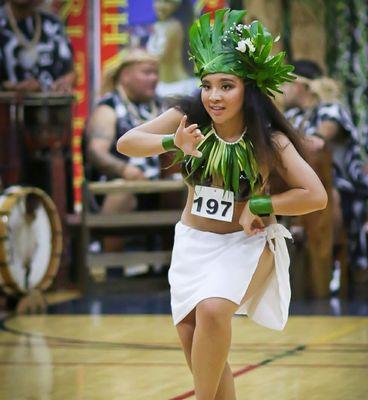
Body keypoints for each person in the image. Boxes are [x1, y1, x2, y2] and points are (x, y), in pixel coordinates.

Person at [117, 9, 327, 400]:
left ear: (248, 88)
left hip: (244, 245)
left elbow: (315, 196)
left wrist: (262, 202)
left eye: (226, 86)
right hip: (193, 244)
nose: (214, 96)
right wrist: (172, 143)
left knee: (213, 311)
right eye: (207, 85)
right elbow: (126, 143)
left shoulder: (268, 139)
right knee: (196, 340)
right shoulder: (189, 118)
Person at [283, 60, 367, 287]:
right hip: (301, 186)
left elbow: (317, 143)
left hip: (342, 188)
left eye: (285, 84)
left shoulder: (331, 110)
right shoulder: (294, 115)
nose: (282, 89)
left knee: (331, 195)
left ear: (299, 86)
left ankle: (328, 261)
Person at [86, 49, 165, 260]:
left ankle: (170, 264)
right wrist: (124, 170)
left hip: (159, 185)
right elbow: (96, 151)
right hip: (117, 186)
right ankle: (110, 264)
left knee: (183, 190)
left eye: (156, 73)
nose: (154, 78)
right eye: (147, 73)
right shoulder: (108, 108)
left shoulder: (161, 106)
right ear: (125, 76)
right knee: (122, 192)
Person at [0, 0, 75, 92]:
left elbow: (70, 72)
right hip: (8, 104)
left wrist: (63, 84)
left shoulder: (52, 24)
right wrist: (10, 88)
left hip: (49, 104)